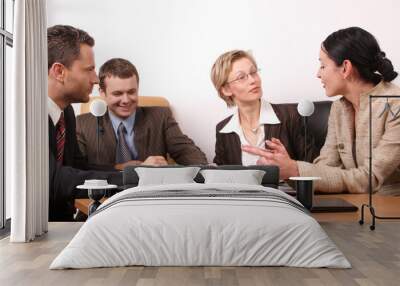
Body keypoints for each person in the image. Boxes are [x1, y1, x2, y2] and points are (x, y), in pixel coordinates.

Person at [243, 27, 400, 194]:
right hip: (355, 208)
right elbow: (326, 167)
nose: (318, 74)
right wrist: (287, 168)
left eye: (323, 65)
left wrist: (295, 169)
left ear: (345, 68)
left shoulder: (395, 106)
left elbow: (370, 178)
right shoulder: (339, 108)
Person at [76, 58, 208, 169]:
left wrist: (201, 172)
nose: (126, 100)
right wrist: (125, 169)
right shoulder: (82, 124)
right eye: (118, 94)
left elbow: (188, 152)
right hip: (106, 196)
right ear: (102, 93)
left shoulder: (160, 116)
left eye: (132, 92)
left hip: (150, 196)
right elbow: (78, 170)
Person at [48, 25, 121, 221]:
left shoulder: (66, 113)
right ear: (59, 72)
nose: (96, 79)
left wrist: (133, 172)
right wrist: (131, 180)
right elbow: (55, 180)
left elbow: (78, 168)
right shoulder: (30, 119)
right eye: (89, 70)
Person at [210, 50, 318, 166]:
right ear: (226, 90)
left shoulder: (291, 116)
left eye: (253, 72)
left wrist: (290, 165)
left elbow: (313, 169)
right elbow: (221, 177)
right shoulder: (223, 129)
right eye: (241, 77)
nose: (253, 80)